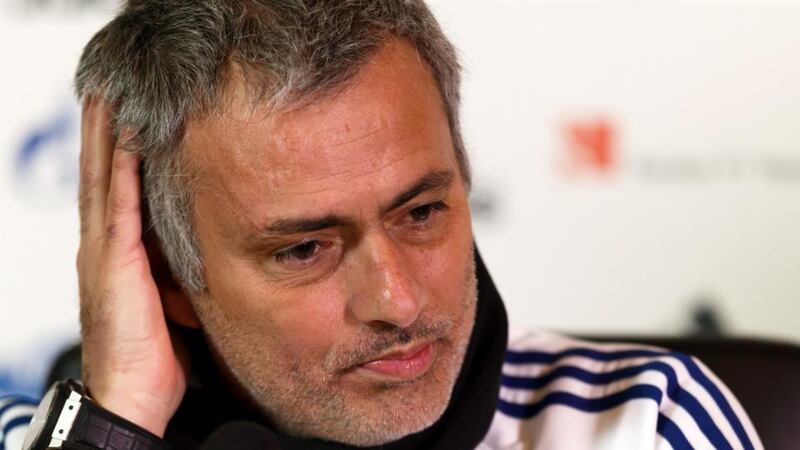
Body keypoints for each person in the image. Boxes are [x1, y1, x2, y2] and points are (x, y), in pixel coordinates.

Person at [3, 1, 762, 449]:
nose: (399, 303)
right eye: (304, 248)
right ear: (168, 274)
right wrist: (117, 424)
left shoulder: (644, 424)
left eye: (422, 212)